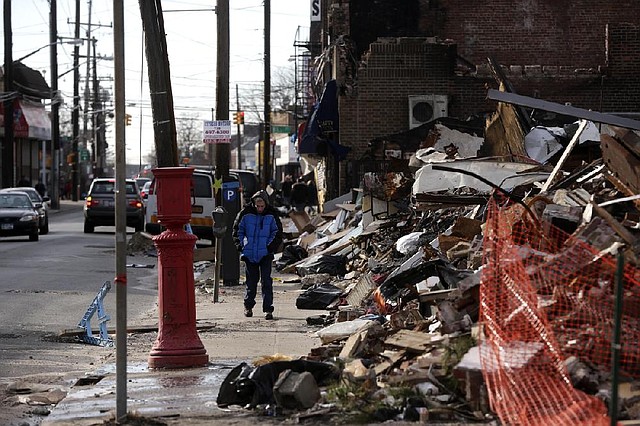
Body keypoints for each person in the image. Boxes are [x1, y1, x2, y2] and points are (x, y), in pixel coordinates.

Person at [232, 190, 283, 320]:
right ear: (254, 204)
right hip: (249, 254)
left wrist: (269, 247)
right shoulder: (245, 214)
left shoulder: (272, 215)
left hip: (265, 254)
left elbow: (277, 233)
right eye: (257, 206)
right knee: (251, 282)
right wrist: (242, 246)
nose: (260, 208)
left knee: (266, 281)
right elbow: (238, 230)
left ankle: (268, 309)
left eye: (262, 206)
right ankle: (248, 306)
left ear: (265, 204)